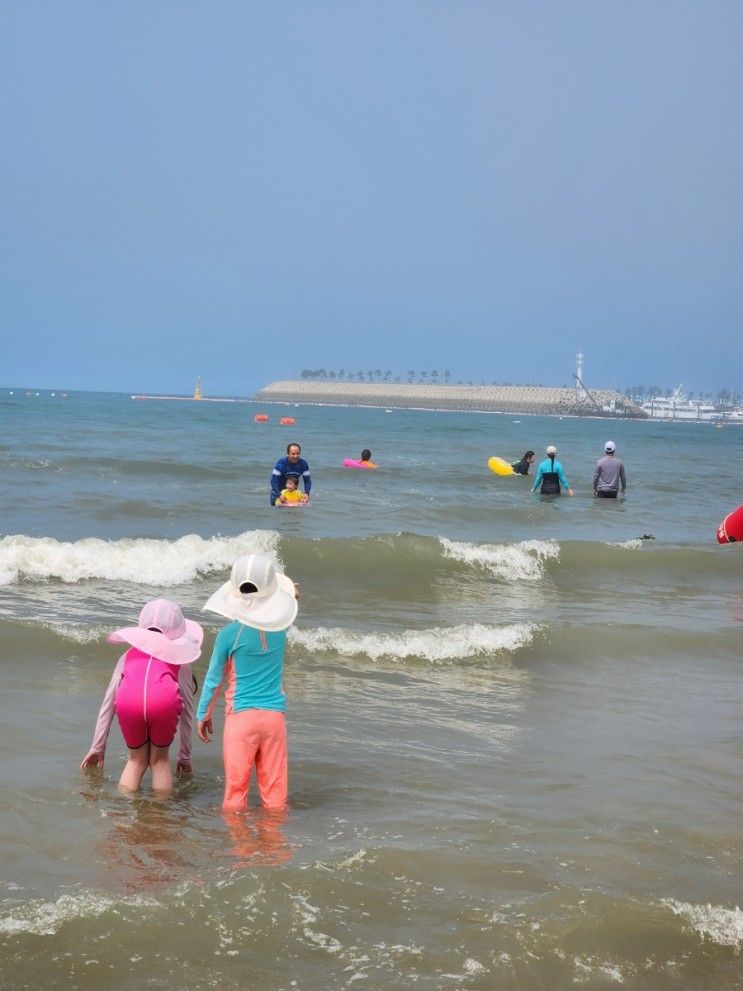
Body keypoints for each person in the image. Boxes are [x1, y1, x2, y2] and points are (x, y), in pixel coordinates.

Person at [196, 553, 299, 812]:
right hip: (275, 719)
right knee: (276, 795)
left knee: (236, 792)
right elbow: (288, 609)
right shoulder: (280, 631)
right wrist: (292, 593)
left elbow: (214, 677)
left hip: (241, 719)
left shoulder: (229, 634)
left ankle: (242, 850)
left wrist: (203, 714)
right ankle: (274, 848)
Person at [81, 599, 203, 794]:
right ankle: (158, 817)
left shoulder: (127, 655)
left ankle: (124, 813)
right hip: (163, 701)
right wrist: (185, 756)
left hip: (128, 700)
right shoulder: (181, 661)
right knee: (159, 761)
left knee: (136, 760)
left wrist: (98, 746)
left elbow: (108, 703)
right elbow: (187, 710)